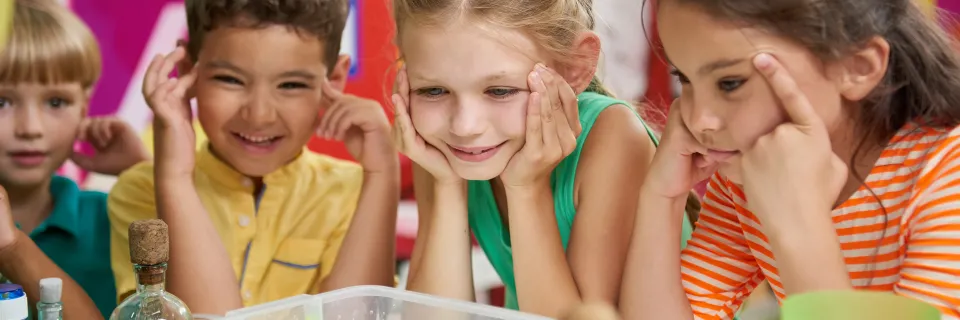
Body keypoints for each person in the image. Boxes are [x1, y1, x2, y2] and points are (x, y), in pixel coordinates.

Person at [620, 0, 960, 319]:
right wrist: (661, 198)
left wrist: (800, 225)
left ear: (858, 67)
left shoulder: (947, 172)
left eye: (730, 83)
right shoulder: (751, 174)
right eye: (685, 78)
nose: (698, 119)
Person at [390, 0, 699, 317]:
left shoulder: (614, 140)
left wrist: (526, 189)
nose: (464, 126)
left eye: (500, 91)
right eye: (433, 91)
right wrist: (446, 186)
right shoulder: (441, 146)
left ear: (575, 66)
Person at [107, 0, 400, 315]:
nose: (259, 115)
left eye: (291, 85)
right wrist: (175, 178)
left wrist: (383, 174)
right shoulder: (142, 191)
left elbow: (359, 315)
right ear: (187, 70)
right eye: (230, 79)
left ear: (336, 79)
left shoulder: (354, 193)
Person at [0, 0, 150, 318]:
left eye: (56, 101)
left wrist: (143, 175)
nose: (30, 128)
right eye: (1, 101)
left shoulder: (114, 220)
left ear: (84, 110)